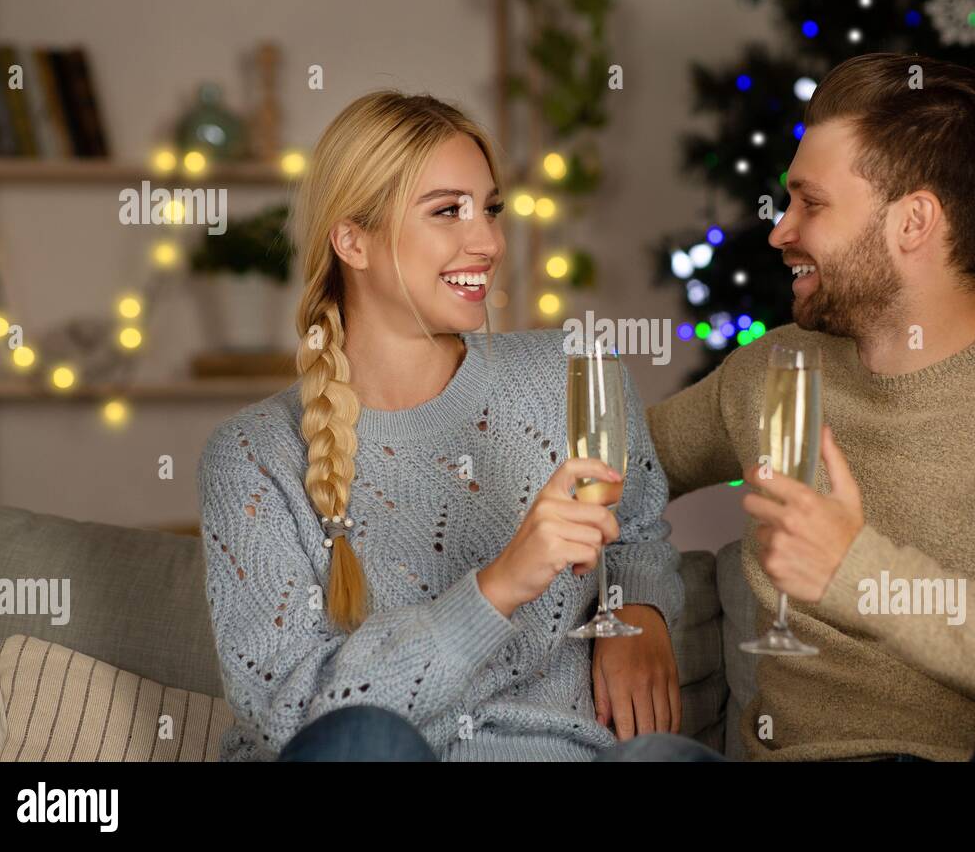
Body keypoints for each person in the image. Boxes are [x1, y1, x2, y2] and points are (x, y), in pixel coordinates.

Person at [648, 53, 975, 762]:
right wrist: (635, 601)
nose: (780, 231)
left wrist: (857, 573)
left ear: (914, 221)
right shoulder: (770, 374)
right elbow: (602, 468)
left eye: (812, 203)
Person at [197, 91, 719, 762]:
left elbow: (637, 526)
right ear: (352, 239)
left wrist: (639, 611)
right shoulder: (252, 455)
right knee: (365, 741)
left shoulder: (572, 374)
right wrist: (499, 586)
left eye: (491, 209)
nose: (489, 242)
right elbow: (287, 715)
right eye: (448, 211)